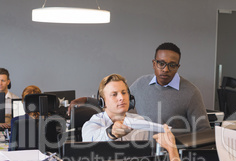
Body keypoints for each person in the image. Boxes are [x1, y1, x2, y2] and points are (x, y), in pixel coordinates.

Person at [68, 42, 210, 132]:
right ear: (154, 64)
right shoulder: (142, 83)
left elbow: (204, 131)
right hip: (142, 153)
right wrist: (86, 100)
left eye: (172, 65)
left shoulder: (191, 93)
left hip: (173, 157)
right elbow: (118, 101)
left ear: (178, 67)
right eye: (161, 63)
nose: (165, 69)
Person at [82, 74, 148, 141]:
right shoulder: (92, 124)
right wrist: (111, 133)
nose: (121, 98)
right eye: (114, 94)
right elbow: (91, 139)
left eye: (124, 93)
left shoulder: (140, 121)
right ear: (103, 102)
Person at [9, 85, 41, 150]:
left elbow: (11, 149)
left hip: (21, 159)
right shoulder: (50, 120)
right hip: (46, 159)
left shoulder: (16, 121)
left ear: (23, 102)